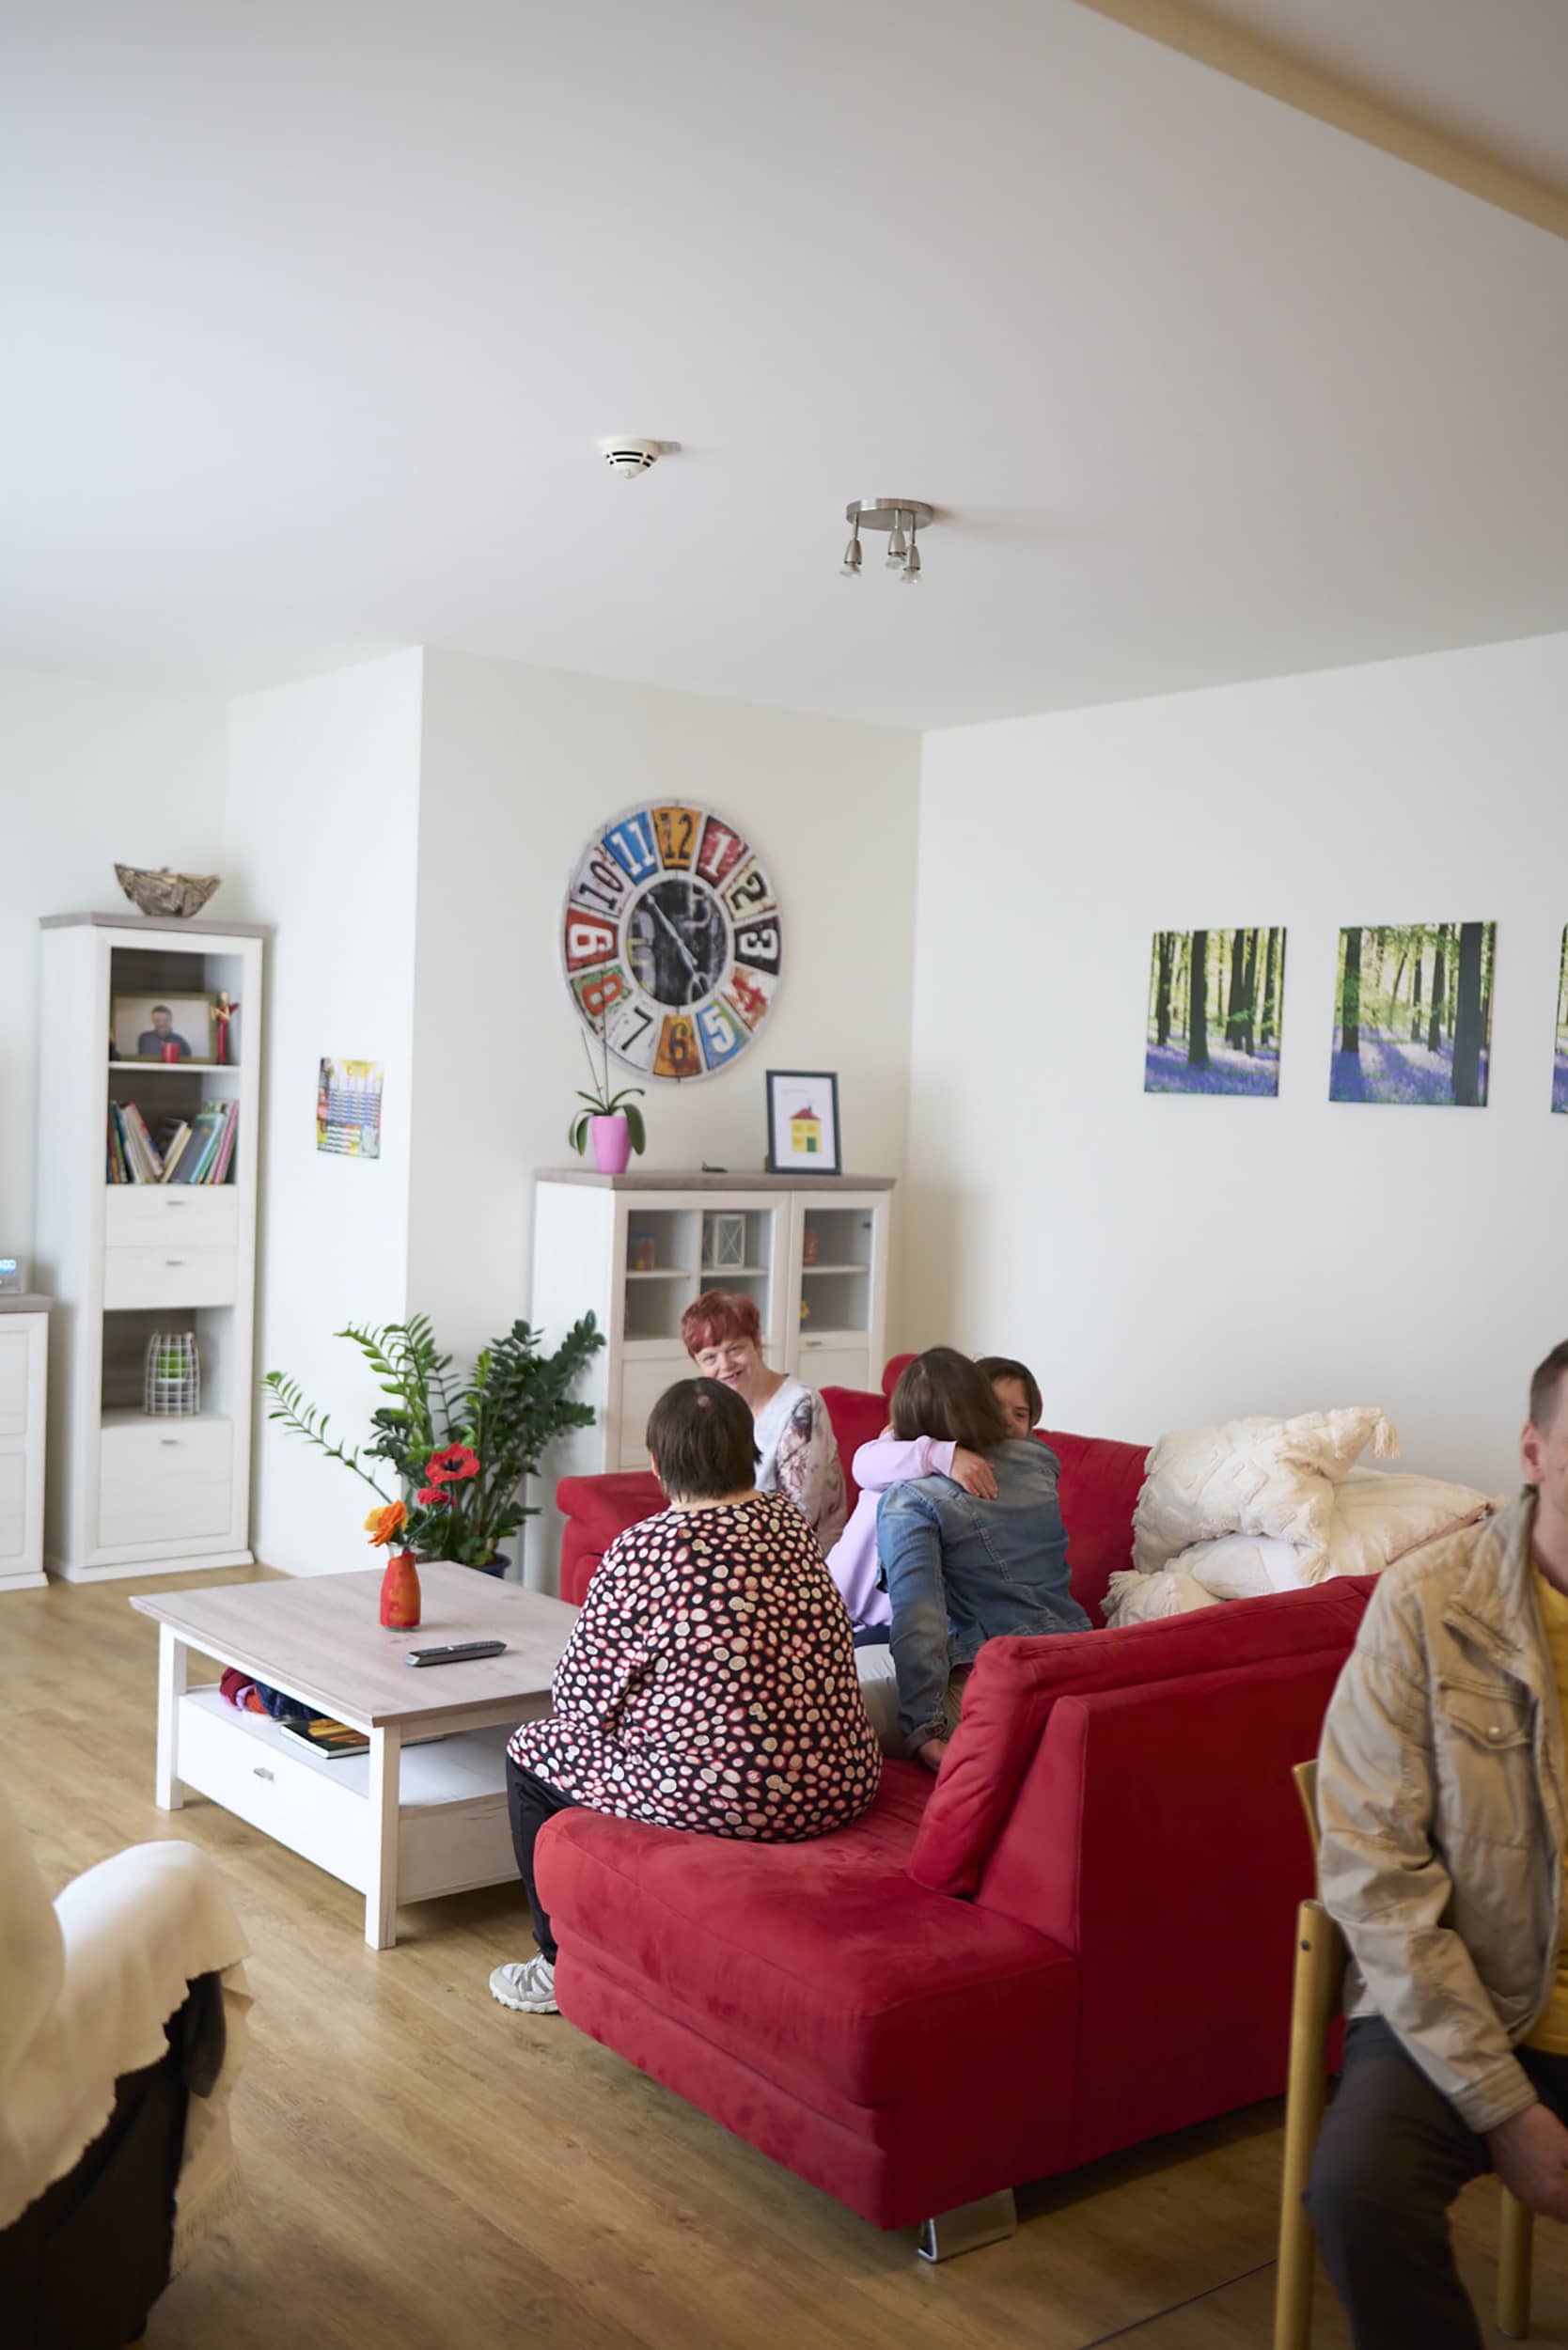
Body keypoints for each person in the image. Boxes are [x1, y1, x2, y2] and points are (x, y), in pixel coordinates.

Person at [1307, 1340, 1568, 2350]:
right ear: (1534, 1452)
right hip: (1464, 1999)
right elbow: (1374, 1878)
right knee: (1357, 2194)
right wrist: (1506, 2107)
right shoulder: (1425, 1605)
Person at [491, 1376, 881, 2016]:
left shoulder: (645, 1550)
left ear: (655, 1463)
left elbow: (579, 1704)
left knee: (531, 1749)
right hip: (840, 1780)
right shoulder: (787, 1524)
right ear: (746, 1450)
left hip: (735, 1798)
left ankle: (553, 1961)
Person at [875, 1348, 1090, 1767]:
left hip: (992, 1683)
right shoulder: (1041, 1462)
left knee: (814, 1713)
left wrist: (925, 1730)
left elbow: (920, 1623)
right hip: (1072, 1662)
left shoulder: (910, 1500)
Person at [828, 1351, 1048, 1749]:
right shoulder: (907, 1450)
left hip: (883, 1624)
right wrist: (942, 1455)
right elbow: (866, 1463)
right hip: (842, 1602)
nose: (1005, 1423)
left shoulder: (1004, 1479)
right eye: (996, 1409)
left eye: (1020, 1414)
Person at [681, 1290, 847, 1553]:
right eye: (710, 1357)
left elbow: (798, 1517)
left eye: (735, 1349)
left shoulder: (801, 1407)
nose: (724, 1365)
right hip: (732, 1547)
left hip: (799, 1557)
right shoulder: (711, 1408)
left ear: (757, 1343)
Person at [976, 1355, 1042, 1439]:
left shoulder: (1034, 1451)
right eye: (994, 1409)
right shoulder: (955, 1449)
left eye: (1020, 1415)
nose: (1007, 1421)